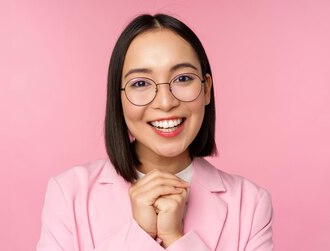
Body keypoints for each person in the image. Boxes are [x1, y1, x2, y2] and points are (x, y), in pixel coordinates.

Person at [36, 13, 274, 250]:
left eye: (182, 78)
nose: (165, 102)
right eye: (140, 83)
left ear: (207, 89)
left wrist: (176, 238)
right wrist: (139, 235)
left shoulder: (250, 204)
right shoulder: (68, 194)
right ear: (118, 99)